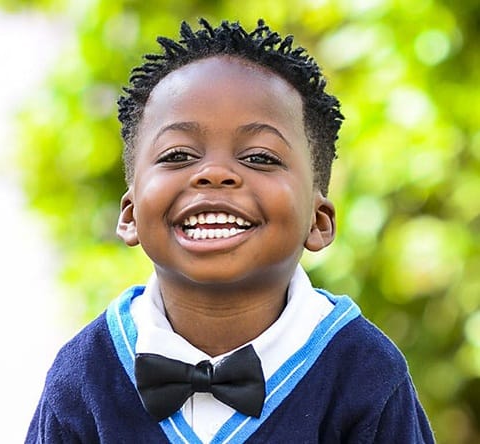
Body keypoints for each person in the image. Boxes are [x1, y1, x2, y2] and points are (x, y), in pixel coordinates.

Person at [26, 19, 435, 443]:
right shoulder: (86, 373)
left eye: (259, 157)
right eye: (178, 154)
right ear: (129, 215)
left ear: (318, 221)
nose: (215, 173)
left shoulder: (364, 370)